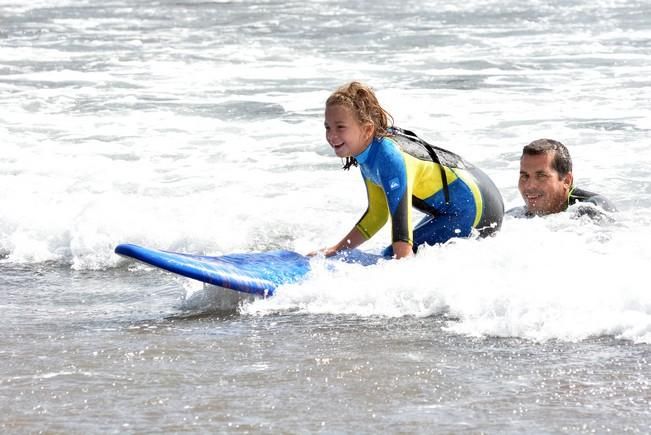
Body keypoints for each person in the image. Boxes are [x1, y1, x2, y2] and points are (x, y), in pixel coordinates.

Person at [312, 81, 504, 259]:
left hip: (475, 205)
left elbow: (401, 228)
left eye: (340, 127)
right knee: (407, 254)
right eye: (328, 127)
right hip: (472, 200)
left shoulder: (387, 156)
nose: (331, 135)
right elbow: (377, 215)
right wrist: (336, 250)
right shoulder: (368, 157)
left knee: (393, 256)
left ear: (367, 129)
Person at [508, 138, 616, 218]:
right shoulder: (516, 216)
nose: (530, 185)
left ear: (566, 181)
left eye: (541, 176)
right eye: (524, 176)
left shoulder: (593, 209)